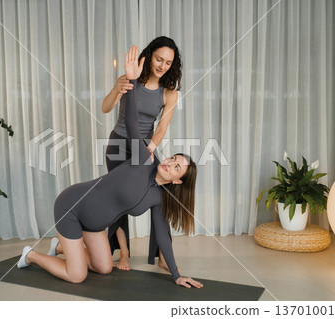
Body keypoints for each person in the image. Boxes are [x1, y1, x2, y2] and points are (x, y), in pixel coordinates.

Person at [18, 45, 202, 288]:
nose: (168, 161)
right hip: (72, 207)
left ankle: (62, 247)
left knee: (104, 269)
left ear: (178, 181)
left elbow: (162, 234)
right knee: (78, 275)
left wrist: (177, 275)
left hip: (94, 224)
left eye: (177, 167)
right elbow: (131, 122)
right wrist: (131, 84)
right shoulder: (144, 160)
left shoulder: (158, 197)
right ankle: (30, 255)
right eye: (172, 158)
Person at [102, 36, 182, 271]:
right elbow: (105, 108)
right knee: (119, 198)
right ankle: (123, 254)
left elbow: (162, 127)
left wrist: (150, 149)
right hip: (118, 145)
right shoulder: (129, 79)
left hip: (145, 147)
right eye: (159, 59)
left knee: (162, 196)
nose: (162, 66)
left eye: (168, 63)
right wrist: (117, 88)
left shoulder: (169, 93)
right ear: (149, 56)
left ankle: (163, 255)